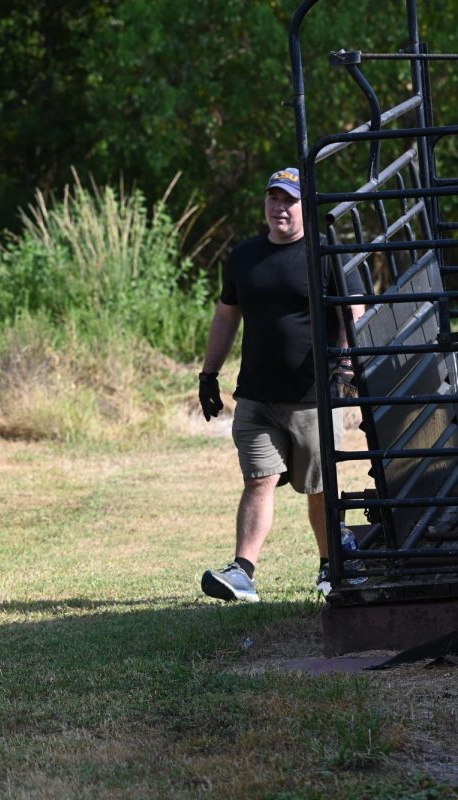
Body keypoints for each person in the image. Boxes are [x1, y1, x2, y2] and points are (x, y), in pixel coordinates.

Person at [198, 166, 359, 602]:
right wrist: (209, 373)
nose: (279, 207)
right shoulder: (244, 256)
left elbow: (353, 312)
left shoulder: (325, 254)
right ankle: (242, 572)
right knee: (258, 480)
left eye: (289, 200)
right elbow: (226, 316)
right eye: (273, 198)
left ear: (305, 205)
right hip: (256, 395)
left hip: (312, 397)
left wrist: (345, 365)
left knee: (319, 487)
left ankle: (331, 568)